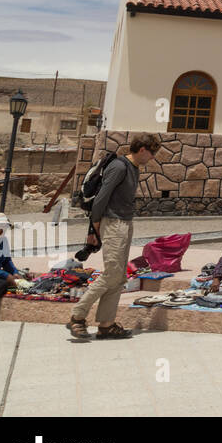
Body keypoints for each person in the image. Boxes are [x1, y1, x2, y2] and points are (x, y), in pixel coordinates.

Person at [67, 134, 160, 340]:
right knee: (111, 274)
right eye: (152, 153)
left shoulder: (133, 168)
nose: (153, 158)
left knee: (118, 278)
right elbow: (102, 197)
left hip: (124, 223)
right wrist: (95, 227)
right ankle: (78, 316)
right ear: (142, 149)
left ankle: (106, 324)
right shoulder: (119, 167)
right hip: (112, 223)